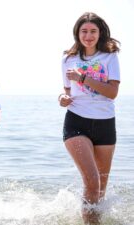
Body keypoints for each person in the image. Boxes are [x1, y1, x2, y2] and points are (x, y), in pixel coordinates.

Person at [59, 12, 120, 224]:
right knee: (92, 180)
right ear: (77, 34)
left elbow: (112, 92)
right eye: (84, 31)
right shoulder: (68, 59)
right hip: (76, 121)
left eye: (93, 31)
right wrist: (63, 98)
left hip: (105, 124)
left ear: (100, 33)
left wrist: (83, 78)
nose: (88, 35)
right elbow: (67, 91)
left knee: (100, 188)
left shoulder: (110, 57)